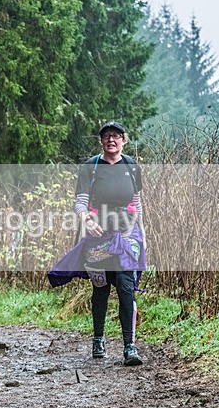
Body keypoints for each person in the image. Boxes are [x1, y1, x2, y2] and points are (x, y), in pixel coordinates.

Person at [48, 121, 146, 366]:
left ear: (124, 140)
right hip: (97, 237)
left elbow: (137, 202)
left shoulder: (131, 166)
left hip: (125, 237)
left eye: (116, 136)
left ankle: (129, 347)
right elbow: (80, 202)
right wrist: (86, 222)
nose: (111, 140)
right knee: (100, 287)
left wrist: (142, 233)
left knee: (126, 287)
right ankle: (99, 339)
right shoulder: (90, 167)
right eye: (106, 136)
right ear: (101, 141)